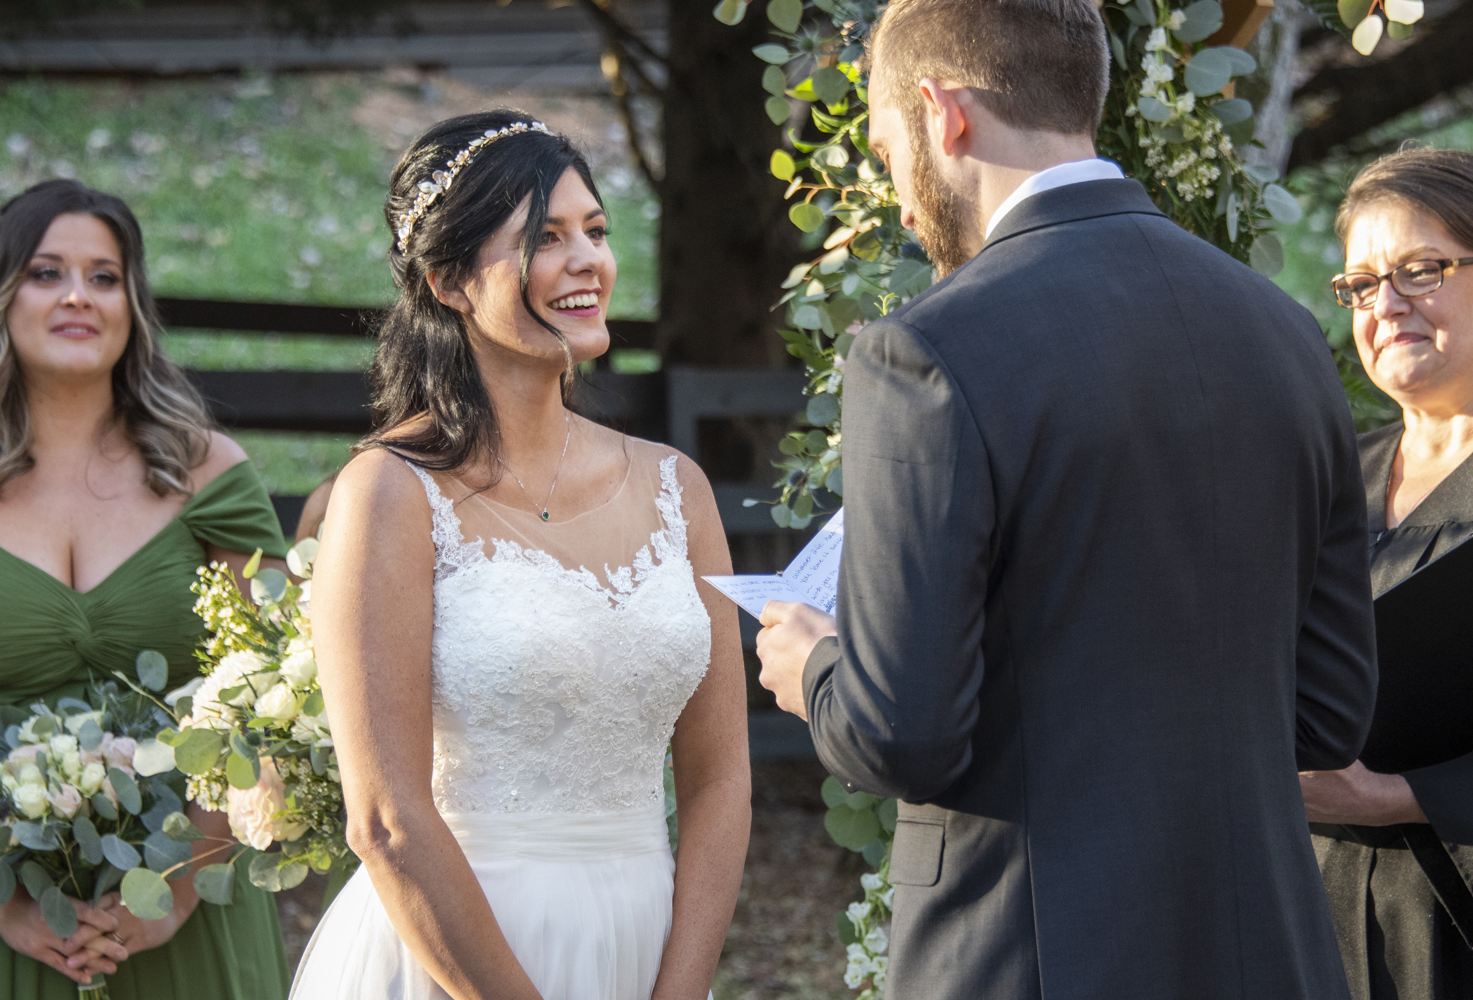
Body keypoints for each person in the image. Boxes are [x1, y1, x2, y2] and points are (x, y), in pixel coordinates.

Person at [754, 0, 1379, 997]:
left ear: (942, 113)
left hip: (1035, 955)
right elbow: (1330, 714)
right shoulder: (1286, 333)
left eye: (885, 154)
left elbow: (901, 732)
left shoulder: (928, 350)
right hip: (1266, 952)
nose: (901, 206)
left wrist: (815, 664)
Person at [289, 111, 751, 1000]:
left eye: (597, 231)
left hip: (644, 939)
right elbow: (385, 821)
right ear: (451, 281)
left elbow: (722, 780)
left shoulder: (675, 488)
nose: (589, 261)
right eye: (545, 238)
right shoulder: (389, 495)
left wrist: (681, 988)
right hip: (460, 955)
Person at [0, 180, 291, 998]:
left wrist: (177, 892)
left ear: (133, 303)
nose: (79, 295)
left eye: (104, 276)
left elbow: (271, 698)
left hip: (184, 910)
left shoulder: (209, 475)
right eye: (46, 273)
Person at [1303, 147, 1473, 1000]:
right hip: (1310, 914)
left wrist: (1401, 794)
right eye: (1363, 284)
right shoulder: (1332, 478)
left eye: (1419, 269)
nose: (1386, 304)